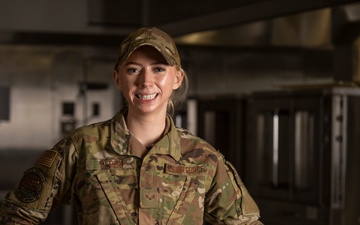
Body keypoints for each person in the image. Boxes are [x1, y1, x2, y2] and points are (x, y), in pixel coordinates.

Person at [0, 27, 263, 225]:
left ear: (177, 78)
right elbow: (17, 215)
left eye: (159, 69)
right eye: (133, 70)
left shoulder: (203, 158)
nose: (146, 81)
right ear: (117, 78)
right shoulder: (83, 147)